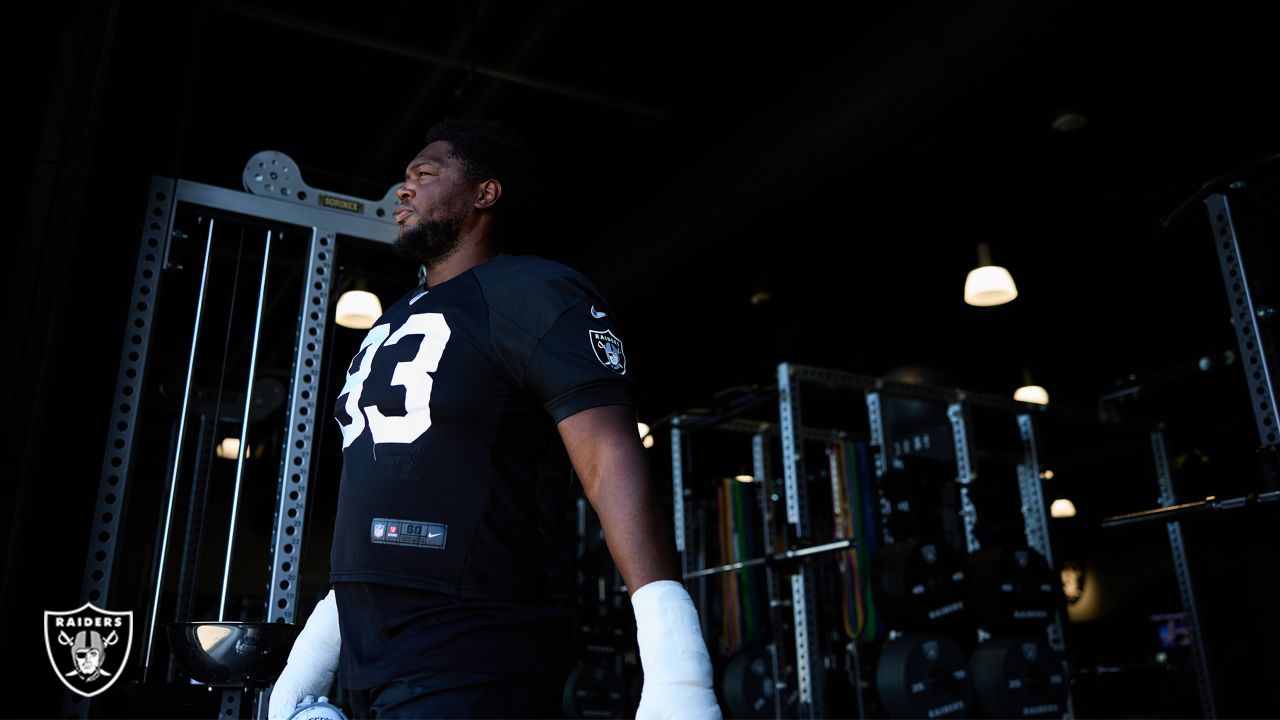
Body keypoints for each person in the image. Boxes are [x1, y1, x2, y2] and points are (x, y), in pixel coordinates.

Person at [267, 118, 722, 720]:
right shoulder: (394, 318)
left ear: (486, 193)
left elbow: (609, 458)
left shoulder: (534, 290)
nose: (404, 190)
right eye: (403, 179)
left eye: (424, 176)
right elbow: (382, 496)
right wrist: (313, 658)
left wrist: (677, 668)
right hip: (372, 659)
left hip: (474, 648)